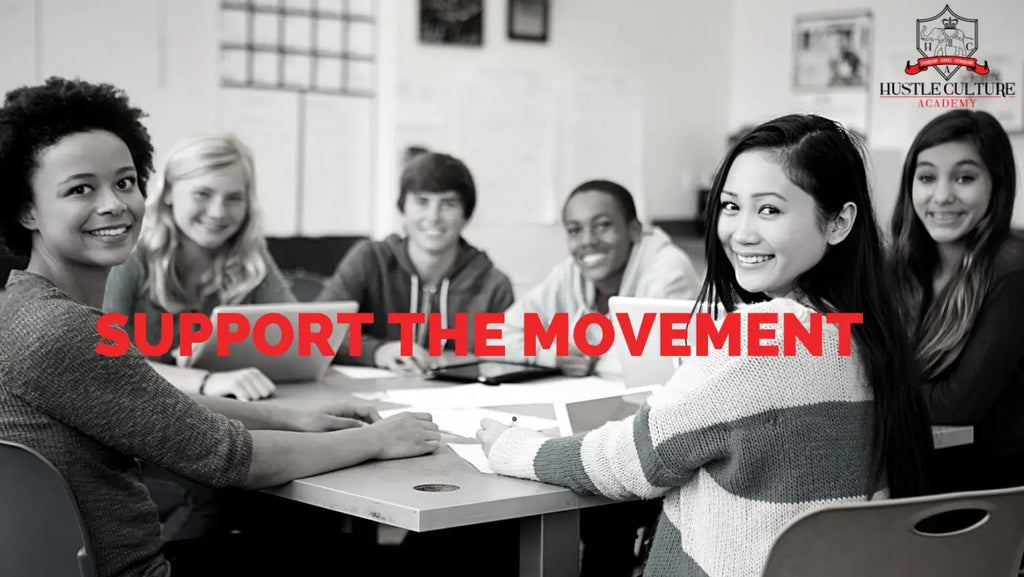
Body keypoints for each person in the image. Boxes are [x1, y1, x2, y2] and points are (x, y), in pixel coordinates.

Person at [0, 77, 441, 577]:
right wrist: (375, 440)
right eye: (81, 189)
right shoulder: (64, 332)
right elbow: (231, 459)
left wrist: (289, 417)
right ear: (26, 208)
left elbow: (145, 400)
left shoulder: (23, 307)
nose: (114, 204)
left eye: (125, 182)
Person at [479, 115, 934, 577]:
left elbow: (631, 462)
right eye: (731, 207)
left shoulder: (769, 337)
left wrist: (514, 447)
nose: (741, 233)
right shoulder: (864, 328)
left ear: (839, 222)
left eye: (770, 210)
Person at [890, 109, 1024, 493]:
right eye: (927, 177)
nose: (942, 195)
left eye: (965, 178)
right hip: (915, 475)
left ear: (996, 187)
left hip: (990, 499)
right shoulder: (898, 265)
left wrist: (883, 386)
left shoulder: (1012, 272)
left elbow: (955, 406)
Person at [104, 134, 294, 402]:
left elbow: (302, 340)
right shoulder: (130, 254)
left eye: (234, 198)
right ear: (168, 191)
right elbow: (104, 361)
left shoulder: (249, 255)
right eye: (203, 194)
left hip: (224, 411)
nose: (218, 212)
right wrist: (205, 380)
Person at [317, 151, 514, 372]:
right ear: (403, 208)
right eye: (422, 202)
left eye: (448, 204)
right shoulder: (370, 260)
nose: (433, 216)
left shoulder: (493, 286)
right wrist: (378, 351)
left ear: (465, 215)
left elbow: (509, 356)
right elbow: (316, 332)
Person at [501, 179, 700, 377]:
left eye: (603, 225)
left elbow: (661, 367)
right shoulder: (570, 272)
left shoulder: (669, 271)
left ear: (634, 230)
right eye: (575, 230)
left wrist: (583, 353)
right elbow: (496, 337)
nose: (587, 241)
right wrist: (553, 354)